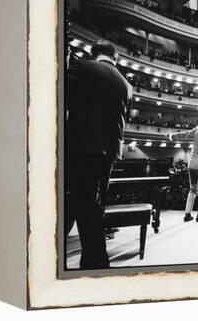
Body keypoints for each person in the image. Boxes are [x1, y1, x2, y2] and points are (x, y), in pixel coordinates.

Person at [66, 40, 132, 269]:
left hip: (81, 146)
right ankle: (92, 261)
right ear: (115, 58)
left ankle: (96, 263)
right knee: (91, 205)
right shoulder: (126, 84)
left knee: (84, 205)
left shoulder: (83, 67)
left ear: (94, 54)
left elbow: (63, 97)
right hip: (110, 152)